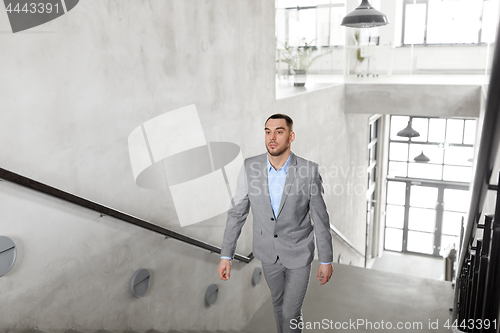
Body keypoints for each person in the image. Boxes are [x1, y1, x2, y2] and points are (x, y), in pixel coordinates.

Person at [218, 113, 334, 333]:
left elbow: (320, 219)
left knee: (291, 311)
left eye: (279, 132)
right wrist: (226, 255)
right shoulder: (250, 167)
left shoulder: (309, 171)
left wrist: (326, 260)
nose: (272, 137)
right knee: (278, 303)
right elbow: (237, 213)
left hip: (299, 252)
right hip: (268, 253)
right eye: (268, 131)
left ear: (291, 137)